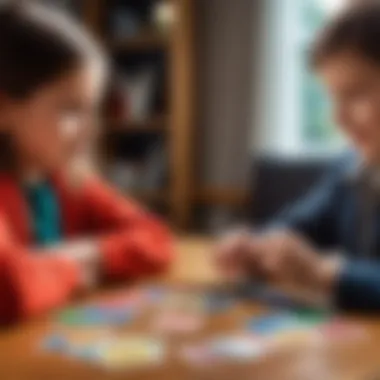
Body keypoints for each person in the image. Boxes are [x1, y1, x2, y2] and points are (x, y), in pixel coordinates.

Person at [0, 2, 173, 323]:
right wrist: (71, 269)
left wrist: (91, 254)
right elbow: (8, 288)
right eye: (70, 110)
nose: (92, 129)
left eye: (92, 110)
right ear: (5, 108)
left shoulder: (68, 180)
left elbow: (156, 237)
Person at [215, 2, 380, 311]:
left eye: (355, 94)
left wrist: (325, 272)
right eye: (333, 97)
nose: (338, 119)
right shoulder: (349, 168)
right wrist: (255, 246)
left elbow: (322, 270)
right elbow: (299, 224)